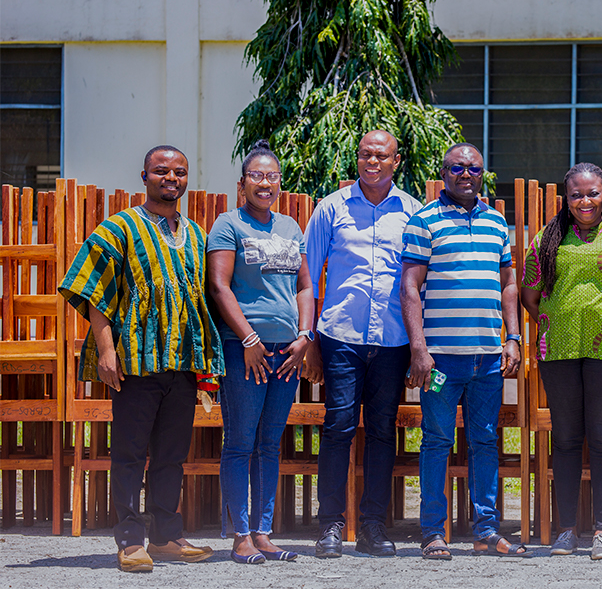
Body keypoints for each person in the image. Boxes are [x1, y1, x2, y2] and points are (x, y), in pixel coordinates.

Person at [58, 145, 223, 573]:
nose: (172, 178)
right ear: (144, 176)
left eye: (180, 172)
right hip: (135, 362)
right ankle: (130, 541)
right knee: (129, 455)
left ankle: (166, 536)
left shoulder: (197, 235)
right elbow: (95, 291)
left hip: (182, 363)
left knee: (171, 455)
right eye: (162, 171)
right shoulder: (118, 228)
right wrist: (107, 351)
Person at [520, 162, 602, 560]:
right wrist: (553, 321)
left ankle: (600, 531)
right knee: (564, 439)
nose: (585, 201)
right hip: (557, 351)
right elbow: (530, 294)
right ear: (566, 196)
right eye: (576, 194)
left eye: (592, 193)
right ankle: (566, 531)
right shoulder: (547, 238)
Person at [400, 142, 526, 560]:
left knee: (485, 441)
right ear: (444, 172)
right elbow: (410, 287)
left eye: (473, 168)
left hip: (488, 356)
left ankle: (486, 531)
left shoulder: (495, 223)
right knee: (436, 440)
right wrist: (419, 348)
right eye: (457, 167)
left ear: (483, 173)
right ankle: (432, 532)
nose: (466, 174)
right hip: (440, 358)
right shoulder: (424, 221)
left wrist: (513, 337)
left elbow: (509, 284)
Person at [302, 130, 422, 557]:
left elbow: (419, 284)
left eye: (381, 155)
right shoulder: (330, 208)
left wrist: (416, 347)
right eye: (366, 154)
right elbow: (308, 275)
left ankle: (372, 525)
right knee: (336, 428)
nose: (373, 161)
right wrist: (311, 337)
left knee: (381, 431)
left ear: (396, 160)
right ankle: (330, 526)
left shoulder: (413, 212)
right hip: (340, 337)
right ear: (358, 158)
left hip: (392, 342)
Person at [207, 140, 314, 564]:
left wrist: (305, 335)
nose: (264, 183)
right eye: (256, 175)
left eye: (272, 176)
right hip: (243, 350)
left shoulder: (291, 226)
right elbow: (219, 287)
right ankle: (240, 536)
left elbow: (305, 286)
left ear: (280, 183)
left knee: (270, 444)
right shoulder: (228, 224)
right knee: (239, 443)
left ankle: (264, 532)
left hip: (287, 351)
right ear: (242, 184)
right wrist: (249, 340)